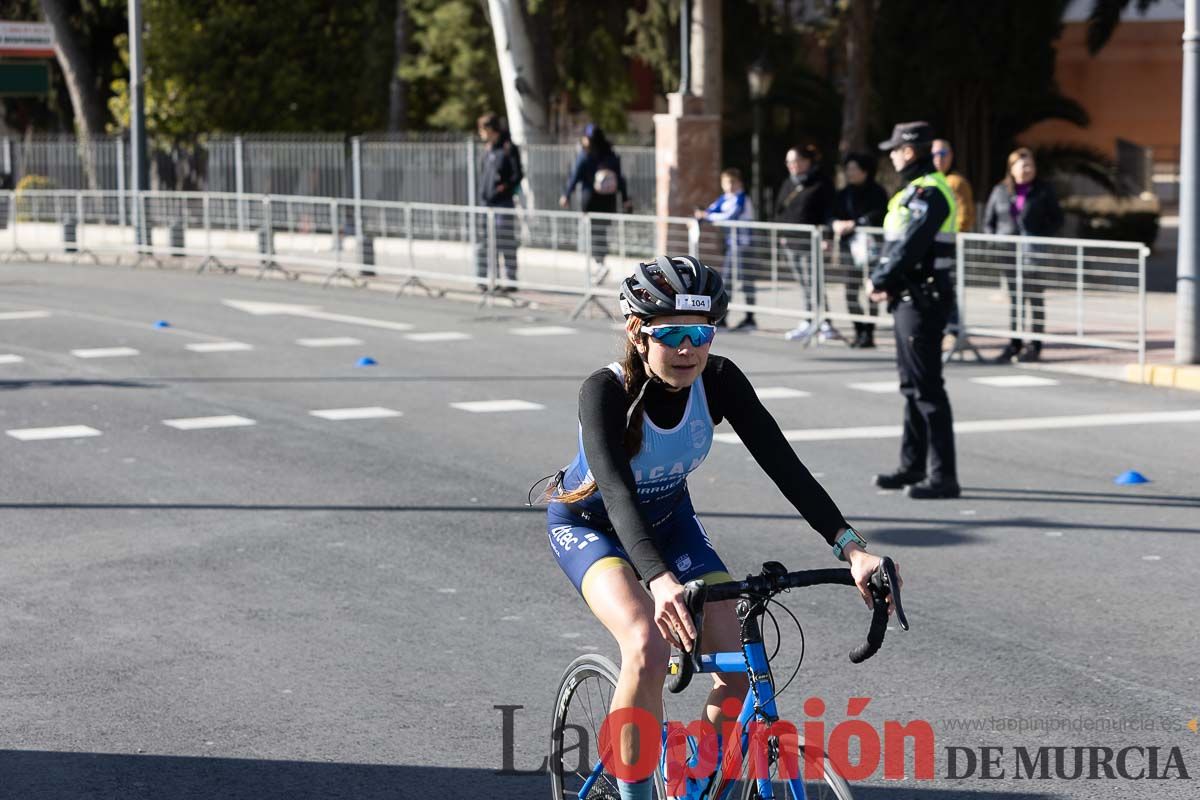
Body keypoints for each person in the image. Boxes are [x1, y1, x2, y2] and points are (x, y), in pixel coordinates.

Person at [543, 254, 901, 800]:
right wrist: (659, 581)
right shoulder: (606, 392)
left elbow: (785, 465)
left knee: (736, 666)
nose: (688, 348)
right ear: (638, 332)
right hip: (594, 525)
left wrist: (851, 548)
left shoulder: (720, 380)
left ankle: (689, 780)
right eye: (672, 335)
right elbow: (616, 492)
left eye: (701, 333)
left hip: (669, 522)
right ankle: (634, 790)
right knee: (646, 643)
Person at [867, 121, 961, 500]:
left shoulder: (930, 192)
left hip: (924, 297)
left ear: (909, 151)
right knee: (912, 386)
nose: (890, 155)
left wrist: (881, 278)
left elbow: (911, 244)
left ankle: (943, 476)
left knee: (926, 388)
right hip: (910, 297)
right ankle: (913, 466)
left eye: (894, 149)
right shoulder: (914, 191)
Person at [983, 147, 1064, 363]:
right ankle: (1014, 343)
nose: (1027, 169)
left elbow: (1057, 219)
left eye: (1031, 165)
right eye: (1023, 165)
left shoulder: (1043, 190)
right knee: (1016, 299)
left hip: (1034, 254)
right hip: (1008, 252)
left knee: (1035, 298)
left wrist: (1041, 237)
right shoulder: (1000, 191)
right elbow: (989, 221)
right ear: (1012, 168)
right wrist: (994, 242)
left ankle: (1035, 344)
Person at [773, 145, 837, 343]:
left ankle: (824, 320)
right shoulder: (788, 183)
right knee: (803, 283)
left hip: (813, 241)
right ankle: (809, 317)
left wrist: (827, 237)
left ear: (807, 162)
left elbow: (829, 211)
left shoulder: (821, 183)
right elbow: (780, 210)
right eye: (789, 162)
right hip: (791, 241)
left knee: (815, 282)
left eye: (796, 161)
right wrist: (781, 234)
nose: (792, 165)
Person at [560, 123, 634, 281]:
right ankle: (600, 263)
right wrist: (626, 199)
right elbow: (621, 180)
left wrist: (566, 194)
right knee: (600, 232)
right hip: (608, 201)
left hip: (590, 201)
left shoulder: (585, 156)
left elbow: (575, 176)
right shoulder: (611, 155)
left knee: (594, 233)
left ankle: (599, 264)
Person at [829, 152, 888, 348]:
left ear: (865, 171)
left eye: (854, 169)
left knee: (871, 290)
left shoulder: (877, 192)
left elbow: (879, 214)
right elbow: (830, 215)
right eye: (848, 169)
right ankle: (859, 330)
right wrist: (835, 224)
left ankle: (869, 333)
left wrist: (857, 223)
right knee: (850, 291)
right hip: (849, 248)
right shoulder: (843, 193)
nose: (850, 173)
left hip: (871, 248)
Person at [695, 169, 757, 330]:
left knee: (746, 282)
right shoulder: (724, 198)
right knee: (727, 281)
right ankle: (724, 317)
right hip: (732, 246)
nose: (729, 186)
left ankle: (750, 318)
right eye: (726, 183)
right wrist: (702, 215)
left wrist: (706, 217)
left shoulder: (742, 199)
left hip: (743, 246)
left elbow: (730, 216)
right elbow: (710, 211)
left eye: (732, 182)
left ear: (739, 183)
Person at [475, 113, 524, 292]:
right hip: (486, 203)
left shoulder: (508, 148)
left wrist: (504, 188)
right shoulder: (487, 149)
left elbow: (517, 175)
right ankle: (487, 278)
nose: (480, 134)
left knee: (505, 240)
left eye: (482, 130)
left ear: (490, 129)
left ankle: (511, 280)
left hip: (503, 204)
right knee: (485, 242)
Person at [932, 139, 975, 233]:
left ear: (950, 155)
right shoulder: (927, 181)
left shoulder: (956, 182)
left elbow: (964, 219)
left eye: (942, 153)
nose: (938, 158)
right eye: (934, 154)